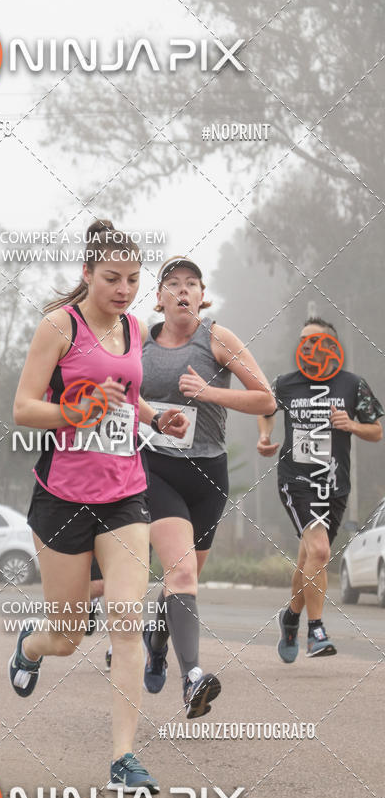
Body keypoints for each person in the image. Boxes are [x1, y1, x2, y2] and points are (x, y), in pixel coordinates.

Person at [9, 220, 188, 794]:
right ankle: (31, 645)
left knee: (126, 619)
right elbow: (23, 408)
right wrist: (75, 412)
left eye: (133, 279)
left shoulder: (133, 328)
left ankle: (123, 758)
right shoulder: (59, 327)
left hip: (124, 493)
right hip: (62, 496)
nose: (124, 289)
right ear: (86, 273)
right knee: (65, 637)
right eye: (112, 278)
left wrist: (156, 418)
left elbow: (127, 398)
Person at [134, 256, 275, 717]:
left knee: (183, 581)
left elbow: (265, 399)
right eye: (172, 283)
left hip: (209, 475)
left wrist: (209, 392)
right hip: (155, 469)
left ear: (201, 296)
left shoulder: (217, 338)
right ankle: (192, 677)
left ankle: (156, 642)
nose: (182, 290)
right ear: (159, 298)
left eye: (191, 283)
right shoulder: (140, 341)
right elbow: (119, 393)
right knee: (181, 575)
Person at [257, 317, 383, 659]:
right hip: (296, 480)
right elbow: (265, 407)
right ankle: (316, 631)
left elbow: (376, 430)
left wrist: (351, 425)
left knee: (311, 558)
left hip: (334, 485)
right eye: (302, 340)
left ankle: (290, 618)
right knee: (322, 552)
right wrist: (265, 435)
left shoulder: (353, 385)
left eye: (313, 340)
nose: (306, 346)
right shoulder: (286, 383)